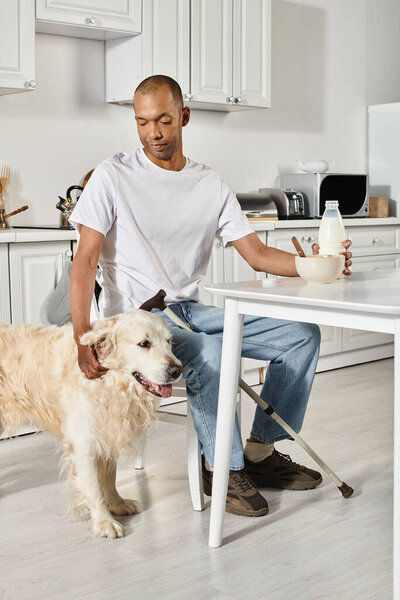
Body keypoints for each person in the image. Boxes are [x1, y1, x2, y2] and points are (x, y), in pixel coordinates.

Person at [69, 75, 352, 518]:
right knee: (214, 353)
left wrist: (315, 265)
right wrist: (83, 336)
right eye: (142, 123)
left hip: (190, 311)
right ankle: (222, 465)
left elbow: (256, 254)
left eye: (163, 120)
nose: (154, 133)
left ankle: (260, 453)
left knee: (301, 336)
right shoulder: (112, 176)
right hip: (136, 324)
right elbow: (84, 261)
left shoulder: (209, 184)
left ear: (184, 116)